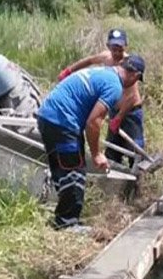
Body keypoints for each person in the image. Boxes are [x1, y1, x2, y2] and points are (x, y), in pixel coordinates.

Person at [37, 55, 146, 231]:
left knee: (63, 168)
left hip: (49, 116)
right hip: (62, 121)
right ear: (135, 76)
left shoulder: (103, 72)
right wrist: (96, 154)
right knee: (74, 172)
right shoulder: (114, 86)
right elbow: (94, 121)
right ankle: (67, 223)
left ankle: (62, 216)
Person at [57, 29, 146, 169]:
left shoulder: (130, 66)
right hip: (114, 109)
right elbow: (88, 60)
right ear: (108, 46)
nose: (117, 53)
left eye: (120, 49)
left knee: (134, 147)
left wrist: (120, 117)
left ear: (125, 46)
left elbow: (131, 97)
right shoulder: (106, 57)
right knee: (112, 147)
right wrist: (69, 71)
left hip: (130, 112)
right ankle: (113, 177)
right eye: (114, 48)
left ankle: (137, 178)